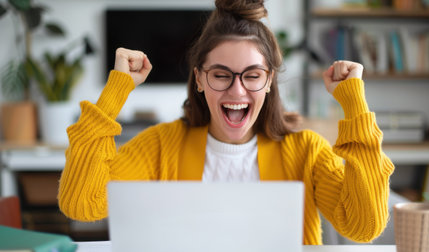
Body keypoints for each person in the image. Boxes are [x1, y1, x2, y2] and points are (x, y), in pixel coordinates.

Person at [58, 0, 394, 245]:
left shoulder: (305, 150)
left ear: (269, 81)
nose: (237, 90)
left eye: (252, 75)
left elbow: (364, 226)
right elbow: (82, 203)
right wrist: (116, 91)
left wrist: (355, 104)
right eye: (221, 75)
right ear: (200, 79)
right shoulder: (160, 145)